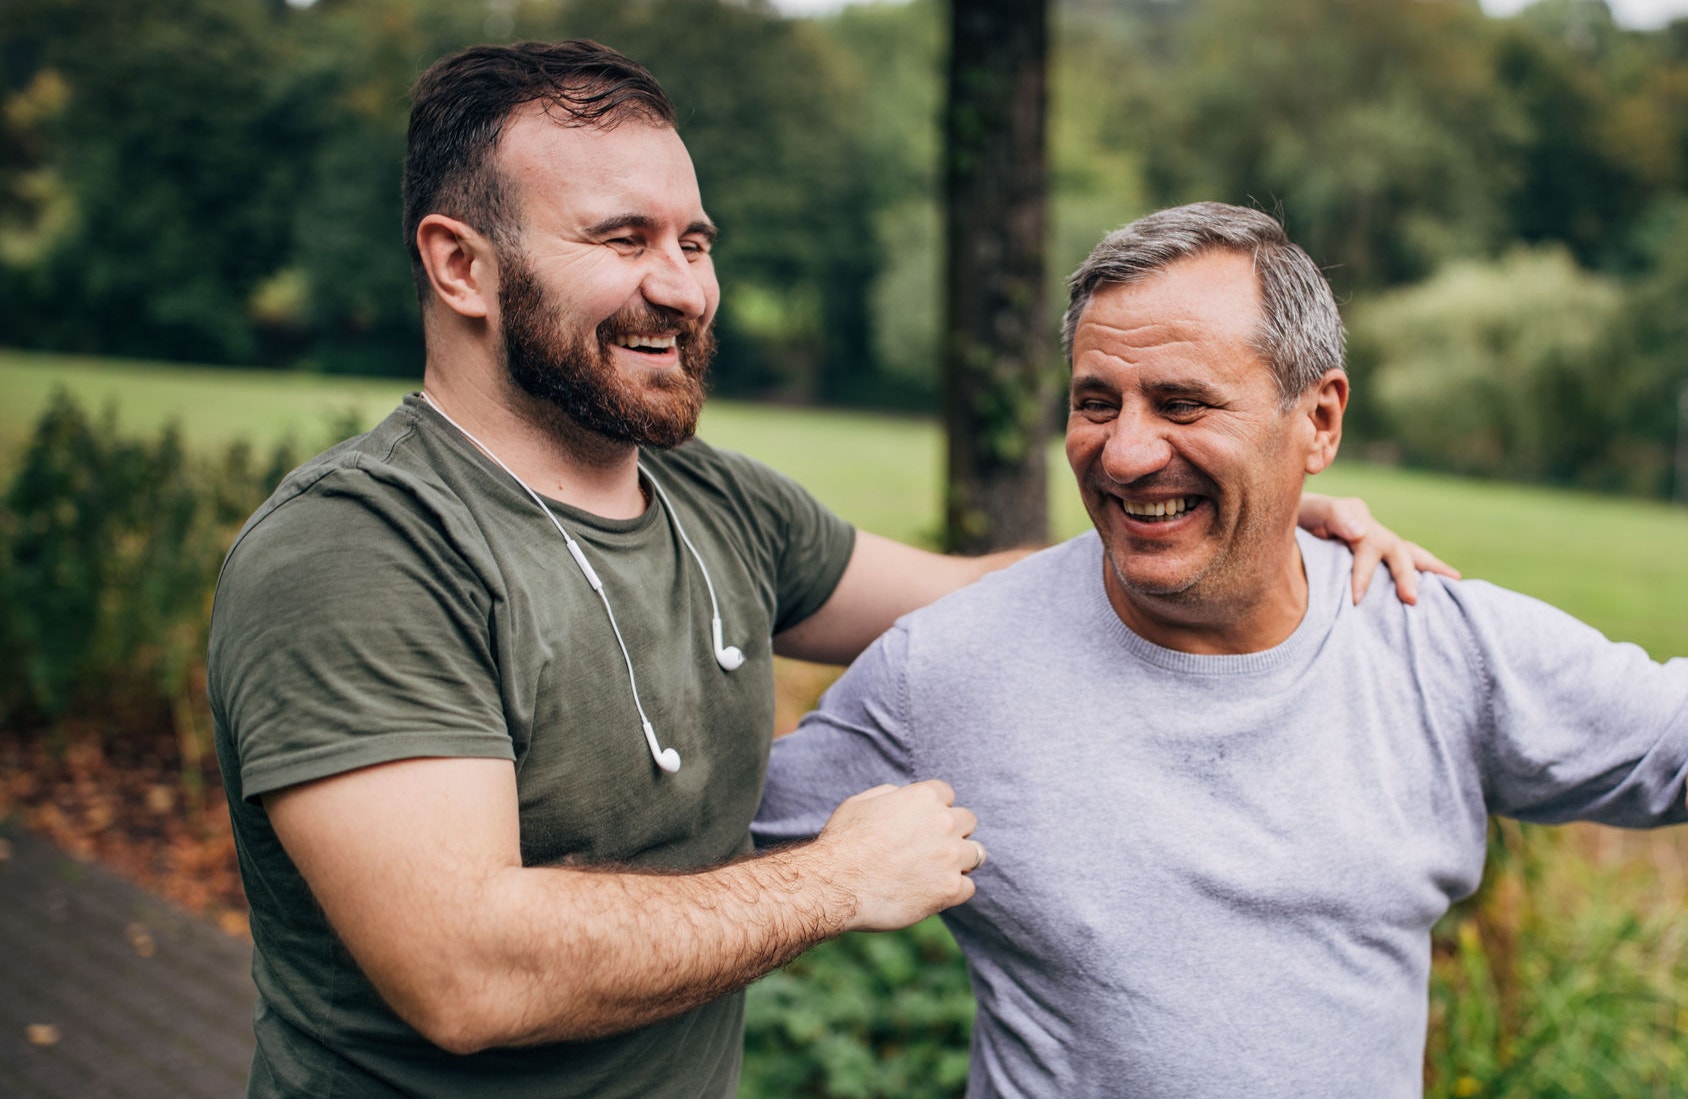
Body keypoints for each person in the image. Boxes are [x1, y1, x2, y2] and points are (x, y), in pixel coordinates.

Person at [209, 42, 1439, 1099]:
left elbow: (990, 598)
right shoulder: (360, 550)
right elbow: (464, 971)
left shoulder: (713, 501)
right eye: (620, 238)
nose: (682, 286)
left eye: (694, 240)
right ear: (460, 265)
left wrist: (1246, 515)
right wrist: (835, 881)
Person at [755, 202, 1688, 1098]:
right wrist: (825, 885)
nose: (1122, 455)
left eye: (1182, 402)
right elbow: (691, 871)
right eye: (1095, 401)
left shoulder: (1432, 641)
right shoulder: (947, 671)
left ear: (1318, 421)